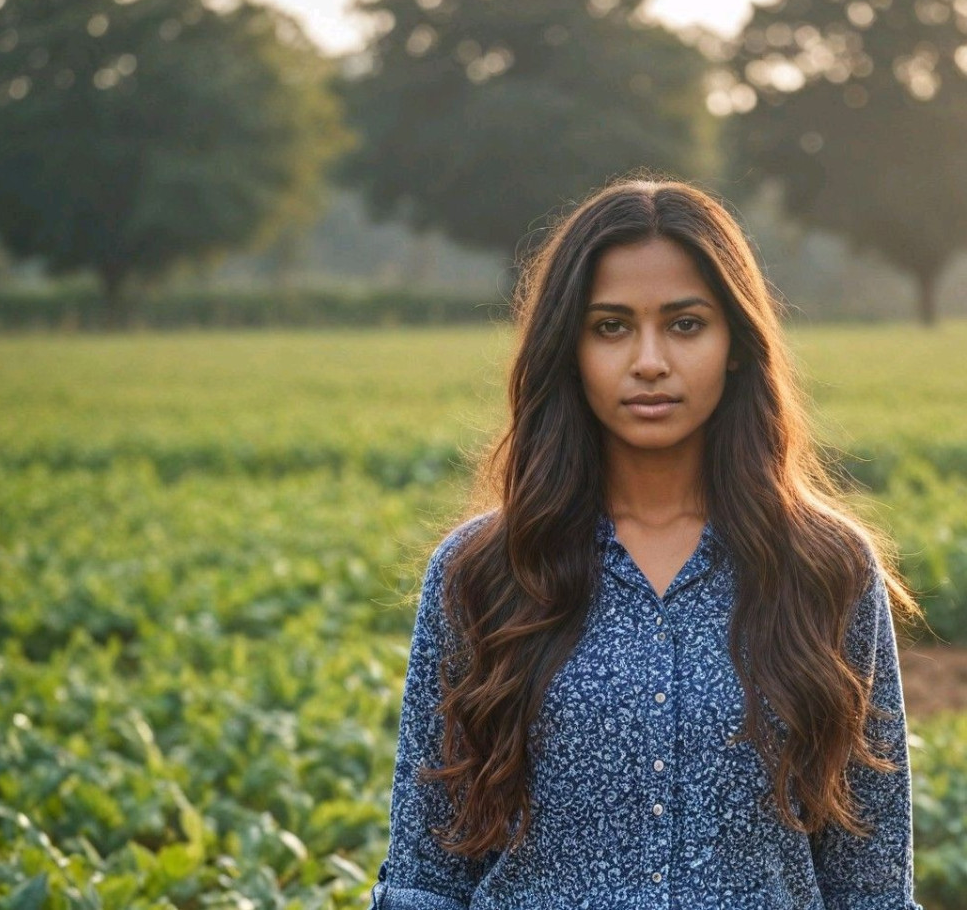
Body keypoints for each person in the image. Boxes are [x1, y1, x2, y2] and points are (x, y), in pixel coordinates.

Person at [368, 178, 923, 909]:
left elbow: (869, 882)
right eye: (611, 327)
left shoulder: (825, 568)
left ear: (736, 343)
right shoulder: (483, 571)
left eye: (686, 325)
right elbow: (426, 875)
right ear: (568, 348)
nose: (650, 361)